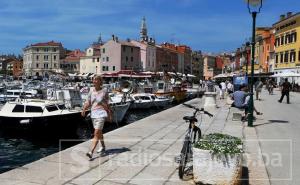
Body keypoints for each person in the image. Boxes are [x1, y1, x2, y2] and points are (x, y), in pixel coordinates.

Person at [81, 75, 111, 159]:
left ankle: (91, 151)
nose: (94, 81)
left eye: (96, 80)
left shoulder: (104, 91)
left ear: (100, 81)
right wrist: (84, 109)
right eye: (93, 80)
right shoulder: (91, 91)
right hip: (94, 114)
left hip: (101, 114)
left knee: (96, 132)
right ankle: (103, 146)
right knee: (99, 133)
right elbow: (89, 102)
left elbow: (108, 104)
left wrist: (109, 114)